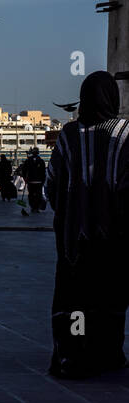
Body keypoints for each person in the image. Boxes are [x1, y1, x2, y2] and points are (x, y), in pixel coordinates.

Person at [45, 71, 129, 378]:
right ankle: (106, 353)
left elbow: (52, 183)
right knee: (110, 296)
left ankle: (73, 354)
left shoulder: (68, 135)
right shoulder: (124, 133)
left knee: (75, 297)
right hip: (114, 239)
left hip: (73, 241)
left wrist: (70, 215)